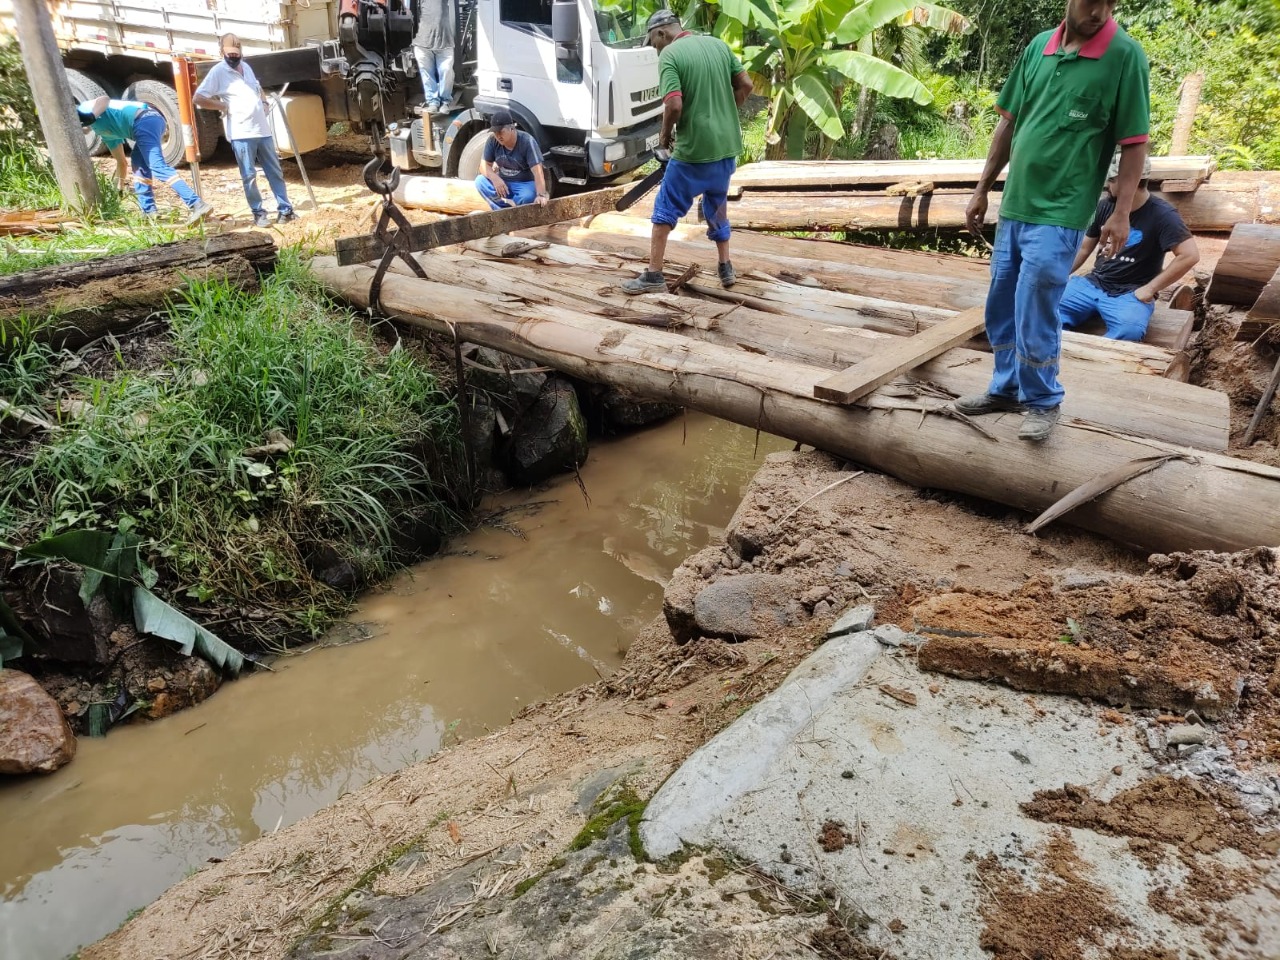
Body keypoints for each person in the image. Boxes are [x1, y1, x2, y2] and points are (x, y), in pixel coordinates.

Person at [960, 0, 1150, 442]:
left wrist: (1121, 213)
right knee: (1001, 302)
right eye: (1091, 1)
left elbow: (1135, 143)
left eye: (1111, 2)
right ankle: (1004, 388)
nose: (1100, 11)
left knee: (1037, 306)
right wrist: (982, 187)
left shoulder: (1124, 55)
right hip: (1015, 207)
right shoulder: (1039, 47)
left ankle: (1044, 401)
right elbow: (1008, 123)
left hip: (1062, 211)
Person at [621, 9, 753, 295]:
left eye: (653, 43)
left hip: (693, 152)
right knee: (717, 205)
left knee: (664, 209)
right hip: (726, 150)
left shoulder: (671, 55)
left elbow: (674, 105)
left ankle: (654, 275)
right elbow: (746, 85)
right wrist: (726, 113)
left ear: (661, 33)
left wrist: (664, 138)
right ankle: (725, 266)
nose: (655, 49)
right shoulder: (718, 45)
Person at [1057, 152, 1199, 341]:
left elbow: (1189, 255)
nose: (1108, 186)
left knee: (1130, 331)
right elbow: (1084, 248)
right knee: (1044, 311)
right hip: (1093, 283)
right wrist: (1060, 274)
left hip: (1131, 293)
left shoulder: (1163, 215)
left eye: (1111, 181)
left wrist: (1149, 290)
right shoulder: (1105, 206)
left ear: (1128, 181)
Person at [194, 34, 297, 227]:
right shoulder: (218, 72)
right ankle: (258, 213)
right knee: (249, 176)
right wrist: (223, 106)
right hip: (242, 134)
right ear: (222, 52)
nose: (234, 57)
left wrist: (264, 102)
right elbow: (198, 98)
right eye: (230, 54)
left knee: (275, 172)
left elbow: (257, 87)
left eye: (236, 54)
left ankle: (286, 210)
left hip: (262, 131)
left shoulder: (246, 67)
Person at [75, 97, 212, 224]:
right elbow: (121, 163)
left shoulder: (84, 108)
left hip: (145, 120)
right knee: (139, 165)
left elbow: (104, 99)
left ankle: (197, 204)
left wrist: (90, 116)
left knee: (157, 166)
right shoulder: (104, 132)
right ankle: (148, 211)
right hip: (149, 123)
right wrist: (118, 189)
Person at [474, 111, 549, 209]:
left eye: (501, 132)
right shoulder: (492, 140)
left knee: (528, 197)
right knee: (480, 181)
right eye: (495, 133)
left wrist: (541, 195)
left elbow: (538, 172)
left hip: (524, 184)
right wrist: (495, 179)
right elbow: (483, 166)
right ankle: (500, 209)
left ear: (512, 128)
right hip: (503, 183)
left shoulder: (527, 141)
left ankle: (514, 206)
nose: (498, 136)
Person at [413, 0, 456, 114]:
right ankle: (433, 102)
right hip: (422, 42)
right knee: (427, 74)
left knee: (446, 70)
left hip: (445, 41)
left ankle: (445, 101)